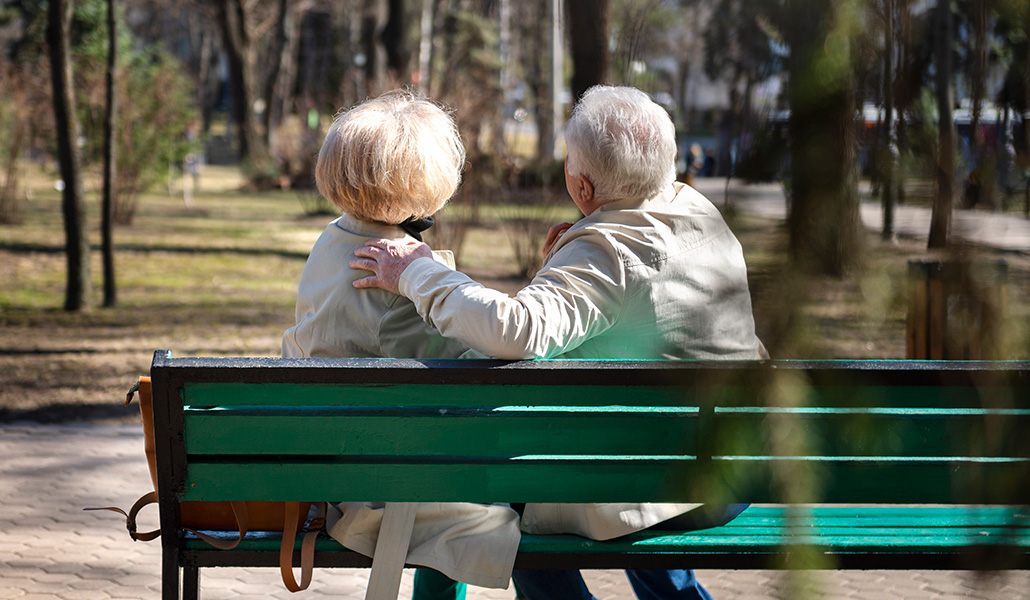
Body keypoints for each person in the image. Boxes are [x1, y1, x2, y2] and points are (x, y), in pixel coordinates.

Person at [350, 85, 767, 600]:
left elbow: (516, 331)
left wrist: (417, 272)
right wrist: (563, 264)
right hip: (738, 469)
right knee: (629, 466)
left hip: (669, 485)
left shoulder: (605, 252)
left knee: (505, 495)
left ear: (581, 184)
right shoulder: (699, 212)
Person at [281, 91, 521, 597]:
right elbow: (472, 370)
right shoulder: (393, 277)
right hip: (376, 483)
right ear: (428, 180)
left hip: (327, 454)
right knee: (498, 506)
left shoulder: (333, 240)